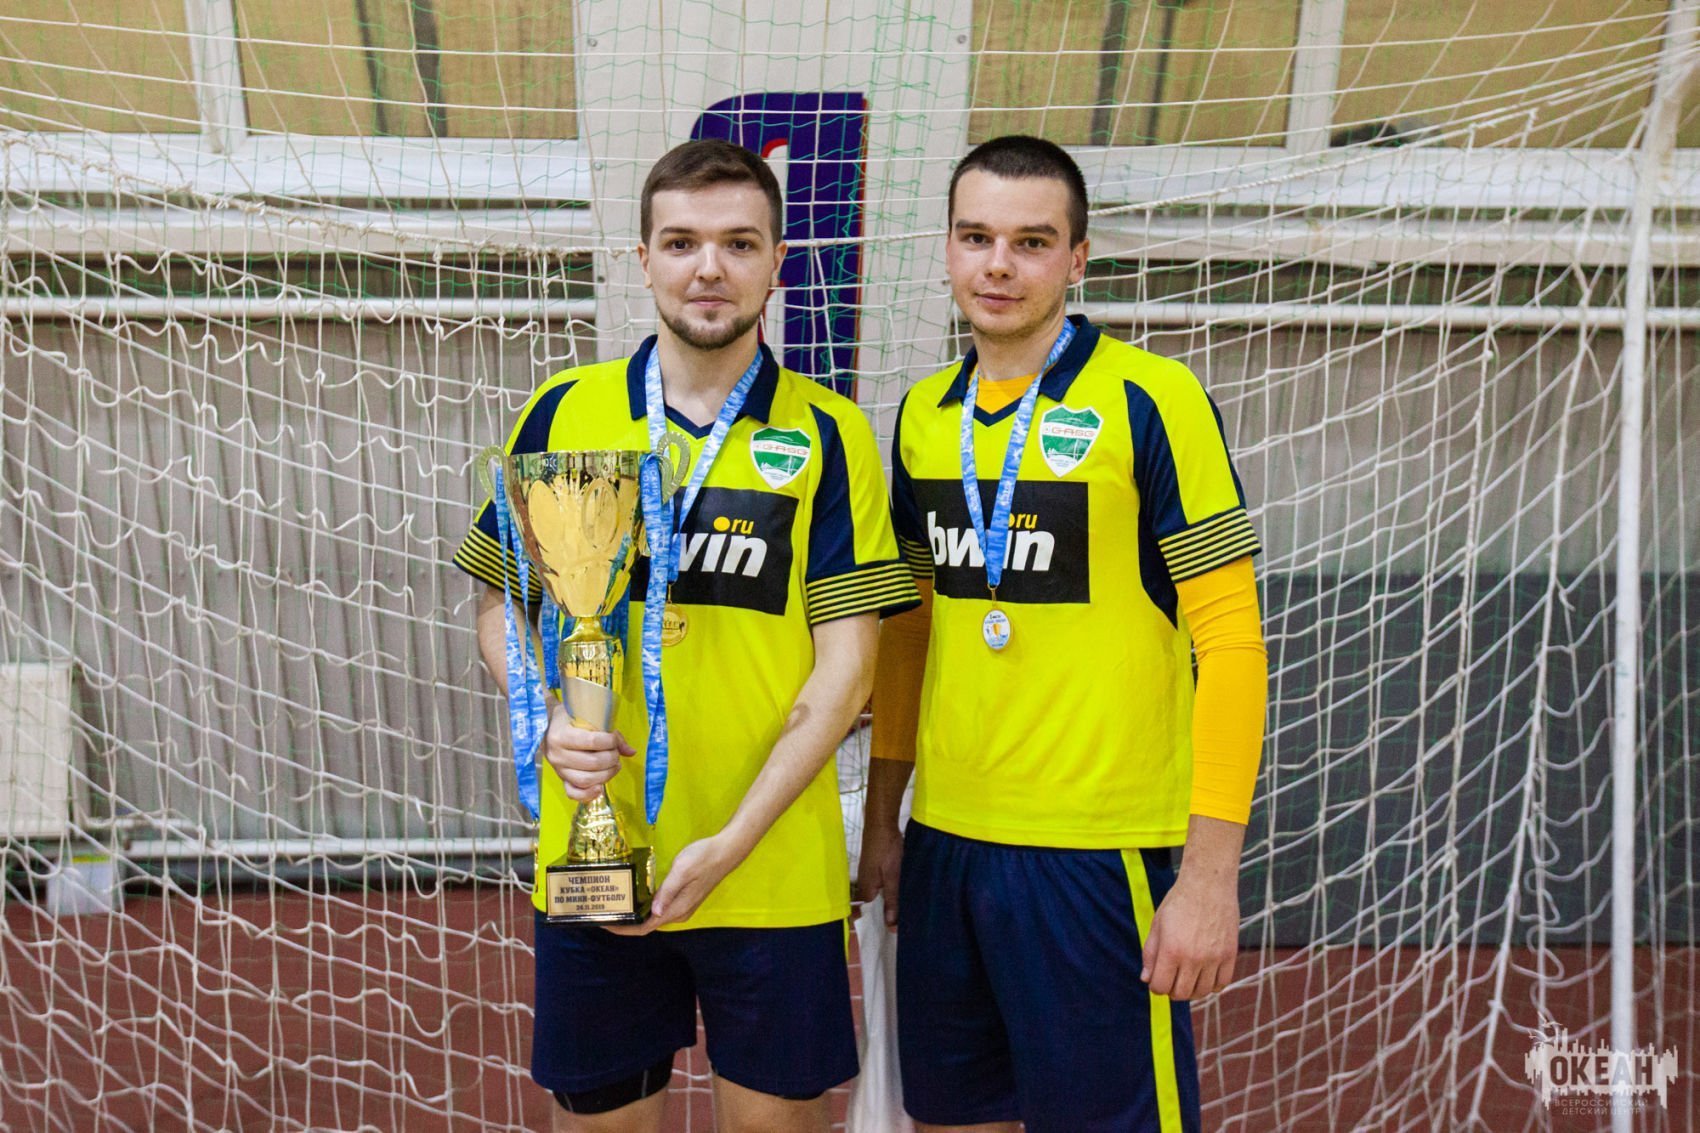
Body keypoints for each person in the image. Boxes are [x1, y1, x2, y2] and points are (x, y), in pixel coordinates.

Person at [455, 138, 918, 1133]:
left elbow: (847, 669)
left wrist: (732, 841)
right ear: (644, 259)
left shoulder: (830, 434)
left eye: (738, 243)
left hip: (769, 866)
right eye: (681, 242)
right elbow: (499, 603)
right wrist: (542, 713)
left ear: (776, 263)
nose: (709, 267)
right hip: (596, 860)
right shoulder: (564, 412)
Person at [858, 135, 1268, 1133]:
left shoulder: (1151, 398)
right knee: (951, 1119)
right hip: (949, 842)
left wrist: (1209, 878)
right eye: (976, 237)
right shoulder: (922, 417)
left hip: (1097, 852)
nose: (998, 264)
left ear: (1077, 257)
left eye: (1031, 241)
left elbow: (1231, 642)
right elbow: (911, 633)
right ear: (947, 249)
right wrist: (883, 815)